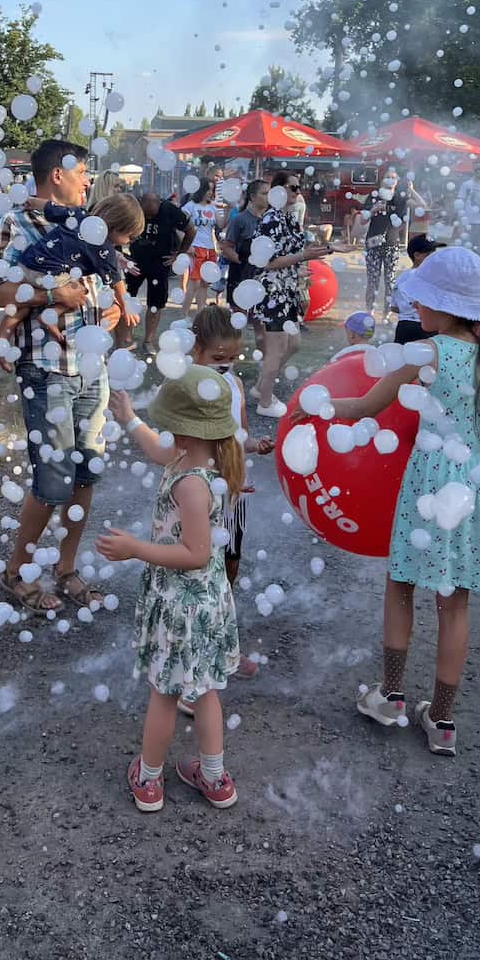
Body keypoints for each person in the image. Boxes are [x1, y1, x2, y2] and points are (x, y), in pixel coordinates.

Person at [294, 246, 480, 756]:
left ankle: (392, 697)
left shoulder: (428, 352)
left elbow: (369, 405)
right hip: (478, 484)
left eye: (424, 299)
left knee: (402, 586)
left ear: (442, 306)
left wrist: (316, 410)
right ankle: (443, 720)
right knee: (455, 604)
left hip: (432, 480)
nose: (418, 308)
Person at [97, 365, 243, 812]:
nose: (161, 431)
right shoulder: (199, 460)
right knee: (206, 691)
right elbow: (157, 450)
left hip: (182, 604)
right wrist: (130, 419)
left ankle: (149, 778)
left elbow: (196, 552)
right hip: (206, 604)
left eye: (165, 423)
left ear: (183, 429)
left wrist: (136, 548)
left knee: (165, 695)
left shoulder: (192, 486)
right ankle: (214, 778)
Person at [0, 140, 109, 615]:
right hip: (47, 368)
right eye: (83, 173)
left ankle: (67, 567)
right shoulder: (14, 223)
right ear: (58, 173)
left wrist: (110, 311)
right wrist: (49, 291)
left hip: (93, 370)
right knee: (52, 481)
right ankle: (17, 572)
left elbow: (99, 284)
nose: (88, 180)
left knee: (86, 472)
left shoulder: (87, 223)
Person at [187, 306, 273, 688]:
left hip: (234, 493)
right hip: (201, 493)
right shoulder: (188, 388)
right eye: (217, 359)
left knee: (229, 568)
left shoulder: (235, 384)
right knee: (199, 575)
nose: (225, 366)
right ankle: (192, 670)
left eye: (232, 359)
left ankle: (221, 646)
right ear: (195, 352)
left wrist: (255, 446)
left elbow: (238, 436)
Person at [0, 193, 143, 361]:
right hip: (51, 273)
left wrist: (33, 202)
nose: (129, 242)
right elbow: (116, 282)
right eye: (130, 236)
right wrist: (126, 305)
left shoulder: (79, 215)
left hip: (30, 262)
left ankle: (1, 339)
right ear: (117, 227)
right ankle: (51, 315)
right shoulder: (104, 248)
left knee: (24, 304)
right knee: (78, 290)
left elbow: (51, 207)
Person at [253, 173, 331, 417]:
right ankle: (265, 402)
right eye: (293, 188)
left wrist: (329, 248)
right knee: (275, 350)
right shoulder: (271, 219)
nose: (298, 192)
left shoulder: (287, 218)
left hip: (287, 290)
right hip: (274, 292)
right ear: (277, 190)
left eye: (300, 188)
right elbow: (268, 262)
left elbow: (297, 251)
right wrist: (302, 258)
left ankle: (259, 387)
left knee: (294, 343)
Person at [125, 192, 196, 352]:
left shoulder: (169, 210)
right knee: (128, 299)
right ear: (141, 204)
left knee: (155, 304)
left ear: (159, 204)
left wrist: (180, 252)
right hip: (135, 261)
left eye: (153, 214)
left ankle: (149, 340)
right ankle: (127, 338)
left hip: (160, 262)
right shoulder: (133, 207)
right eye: (146, 214)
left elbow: (191, 229)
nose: (149, 216)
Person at [363, 170, 410, 321]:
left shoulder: (399, 198)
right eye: (387, 177)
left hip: (392, 244)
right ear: (382, 180)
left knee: (390, 281)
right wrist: (372, 210)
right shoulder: (374, 195)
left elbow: (419, 207)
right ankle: (370, 311)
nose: (390, 180)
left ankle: (387, 313)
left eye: (393, 178)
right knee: (373, 280)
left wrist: (412, 190)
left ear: (397, 181)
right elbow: (363, 220)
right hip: (373, 244)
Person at [220, 179, 269, 306]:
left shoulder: (271, 220)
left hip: (264, 276)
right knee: (239, 313)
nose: (268, 197)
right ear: (252, 196)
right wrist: (242, 261)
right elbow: (227, 247)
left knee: (260, 318)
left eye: (269, 193)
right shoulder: (240, 220)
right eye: (264, 194)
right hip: (240, 274)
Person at [181, 179, 225, 317]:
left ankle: (200, 314)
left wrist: (228, 210)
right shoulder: (191, 206)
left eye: (212, 190)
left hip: (210, 249)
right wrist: (187, 245)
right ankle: (184, 314)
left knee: (205, 283)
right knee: (194, 283)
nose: (210, 193)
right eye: (208, 189)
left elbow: (221, 224)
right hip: (196, 247)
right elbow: (179, 225)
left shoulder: (213, 207)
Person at [391, 234, 446, 344]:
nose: (434, 256)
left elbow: (394, 307)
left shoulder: (401, 278)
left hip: (404, 327)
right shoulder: (431, 277)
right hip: (426, 326)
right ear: (417, 255)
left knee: (403, 359)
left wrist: (407, 310)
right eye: (430, 253)